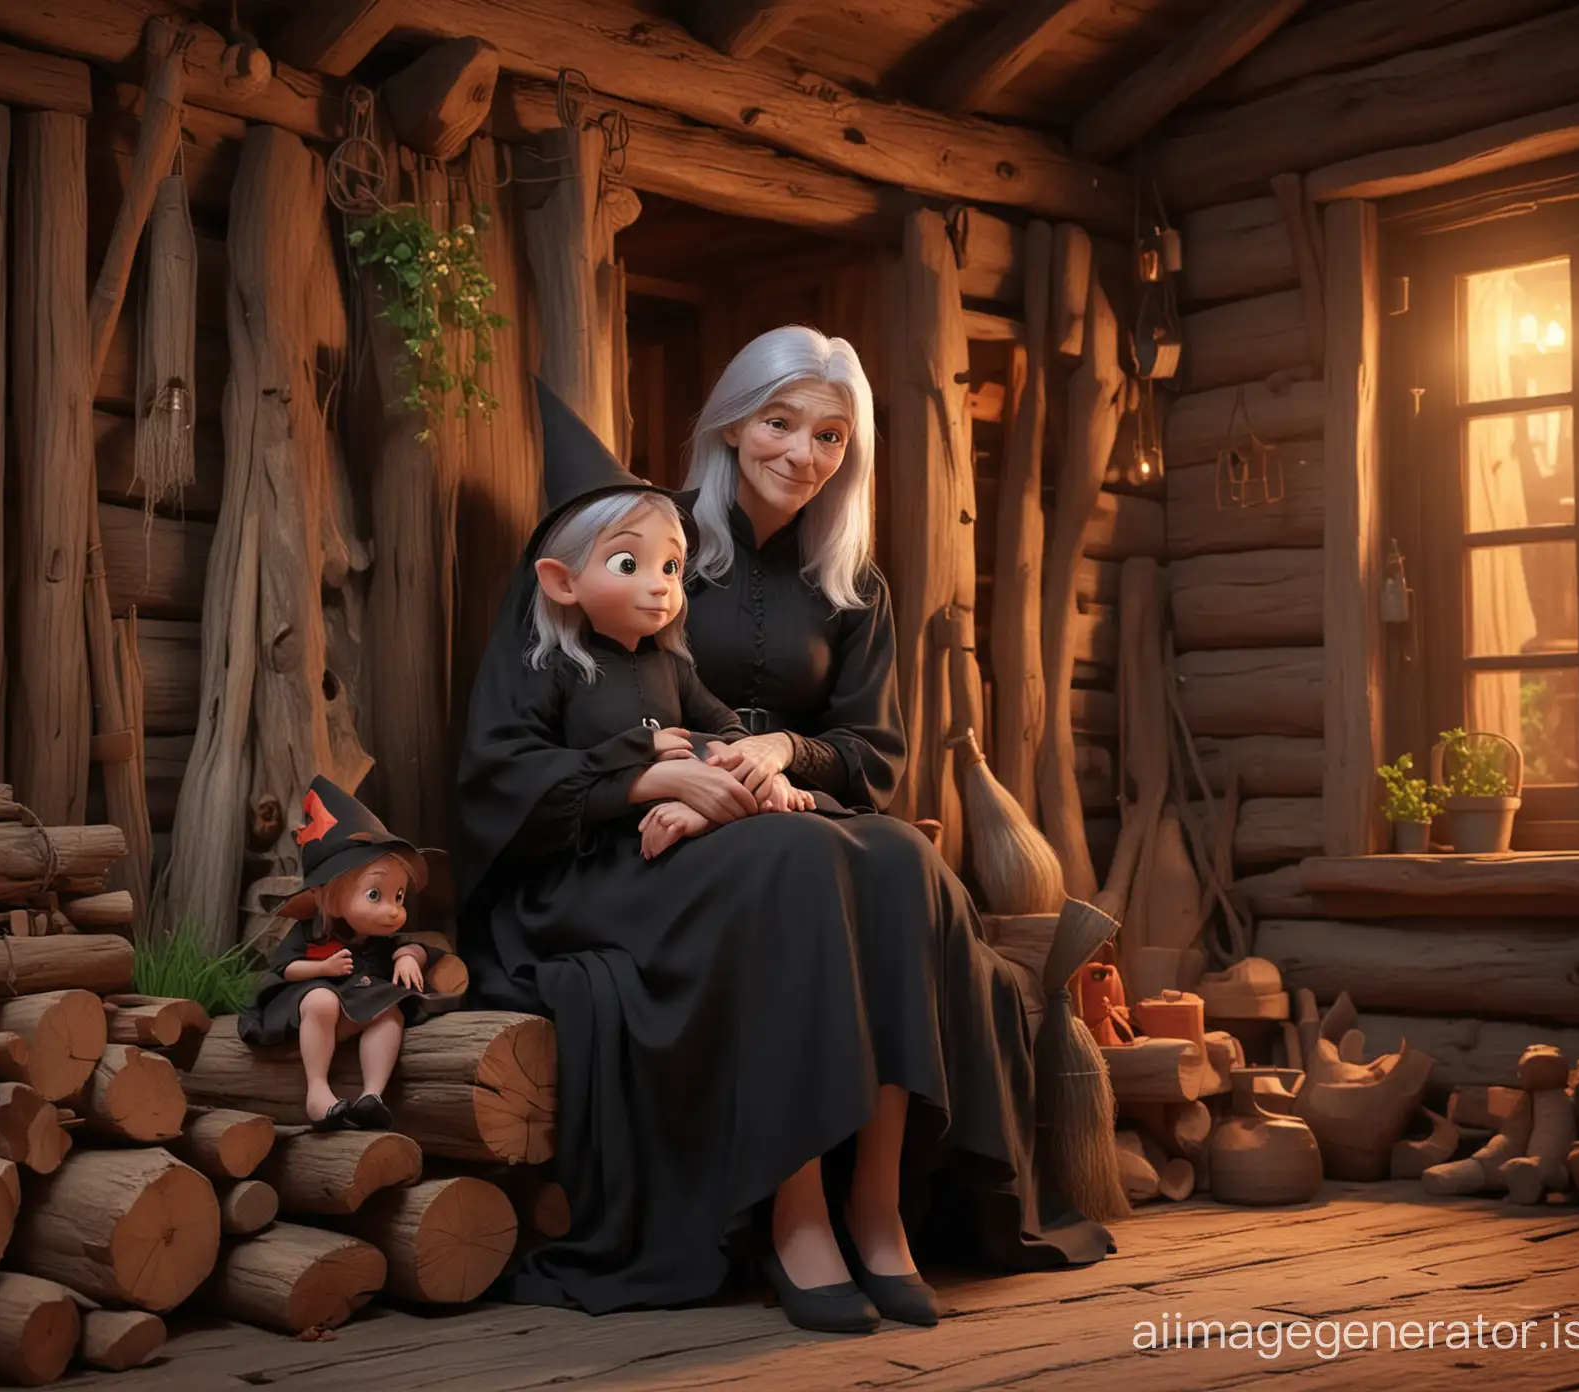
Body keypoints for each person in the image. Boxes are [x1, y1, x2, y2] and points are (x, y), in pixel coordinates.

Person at [457, 350, 1109, 1336]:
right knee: (798, 869)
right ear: (731, 423)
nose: (802, 453)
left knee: (902, 859)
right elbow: (508, 765)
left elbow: (861, 754)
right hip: (610, 857)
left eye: (830, 435)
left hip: (762, 813)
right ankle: (795, 1212)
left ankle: (877, 1208)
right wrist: (664, 781)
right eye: (779, 422)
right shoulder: (618, 535)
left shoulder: (841, 584)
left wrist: (765, 762)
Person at [518, 382, 815, 860]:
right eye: (628, 565)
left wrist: (749, 773)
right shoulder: (556, 671)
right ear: (561, 581)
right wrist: (641, 767)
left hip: (684, 834)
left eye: (672, 567)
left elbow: (725, 728)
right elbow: (530, 782)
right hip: (611, 858)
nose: (659, 585)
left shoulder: (672, 667)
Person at [239, 776, 460, 1131]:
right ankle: (317, 1091)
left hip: (361, 1006)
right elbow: (284, 970)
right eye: (376, 895)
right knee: (322, 1000)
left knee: (390, 1013)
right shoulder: (310, 933)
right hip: (312, 1008)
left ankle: (372, 1094)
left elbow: (417, 947)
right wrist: (322, 967)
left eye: (399, 897)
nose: (393, 911)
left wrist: (408, 957)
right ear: (333, 895)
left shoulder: (379, 940)